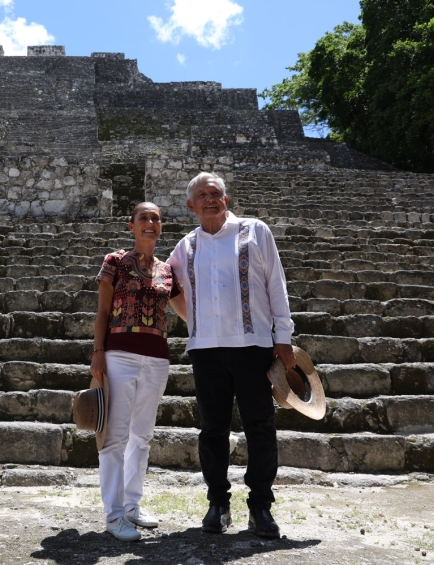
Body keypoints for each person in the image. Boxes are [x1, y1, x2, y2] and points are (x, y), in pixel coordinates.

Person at [167, 172, 295, 539]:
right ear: (191, 206)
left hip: (253, 345)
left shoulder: (255, 231)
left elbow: (276, 283)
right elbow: (169, 285)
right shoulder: (185, 245)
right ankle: (217, 504)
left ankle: (261, 507)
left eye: (216, 193)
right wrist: (196, 322)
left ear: (227, 199)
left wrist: (282, 339)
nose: (210, 199)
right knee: (212, 430)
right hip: (206, 351)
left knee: (260, 427)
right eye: (202, 195)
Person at [91, 202, 183, 542]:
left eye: (156, 218)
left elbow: (187, 312)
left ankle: (132, 505)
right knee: (115, 436)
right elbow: (102, 311)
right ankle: (114, 515)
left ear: (161, 227)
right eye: (143, 217)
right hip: (119, 355)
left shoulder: (168, 270)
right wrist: (98, 352)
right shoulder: (114, 262)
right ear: (131, 226)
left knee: (142, 436)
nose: (150, 222)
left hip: (157, 358)